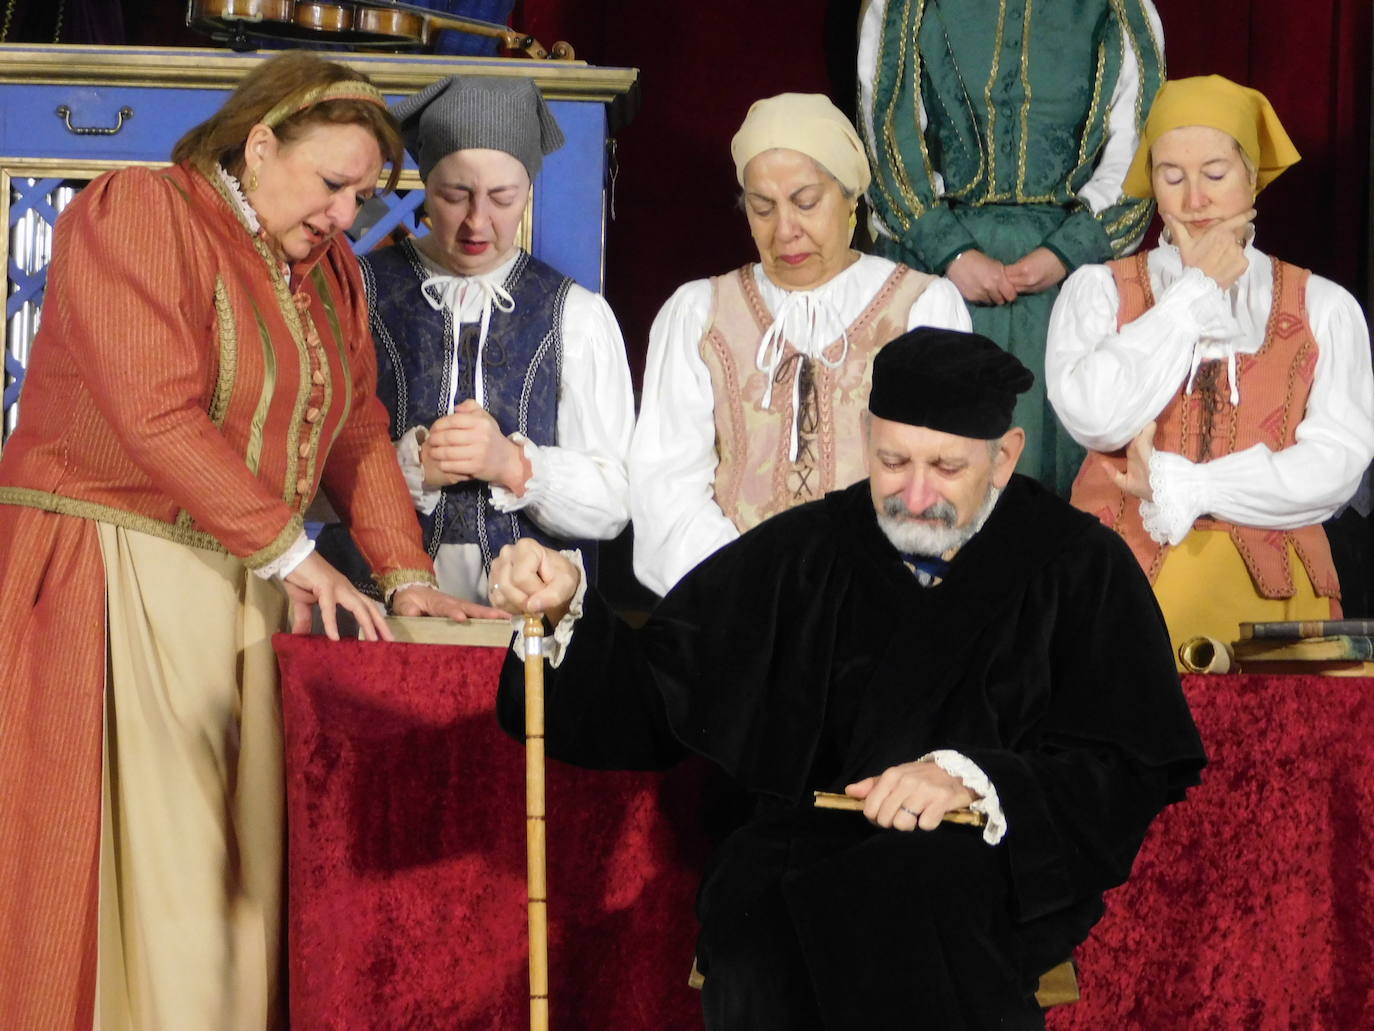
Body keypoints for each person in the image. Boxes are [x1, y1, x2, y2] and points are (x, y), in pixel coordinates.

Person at [490, 327, 1205, 1029]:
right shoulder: (808, 547)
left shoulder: (1078, 563)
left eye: (946, 468)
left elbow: (1125, 762)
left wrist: (974, 778)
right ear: (867, 437)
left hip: (976, 857)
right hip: (802, 846)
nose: (916, 495)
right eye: (893, 461)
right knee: (756, 914)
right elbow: (660, 691)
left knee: (900, 898)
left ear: (1004, 456)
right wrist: (563, 611)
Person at [0, 53, 499, 1030]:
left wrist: (405, 572)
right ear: (261, 142)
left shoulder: (329, 274)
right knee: (165, 872)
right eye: (332, 183)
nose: (346, 213)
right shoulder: (141, 211)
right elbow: (154, 411)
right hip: (118, 566)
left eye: (362, 194)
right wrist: (290, 550)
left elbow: (356, 426)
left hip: (253, 576)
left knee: (244, 881)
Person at [1046, 75, 1374, 662]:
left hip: (1273, 604)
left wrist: (1191, 487)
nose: (1194, 200)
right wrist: (1191, 296)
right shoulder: (1097, 292)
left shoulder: (1324, 306)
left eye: (1216, 175)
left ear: (1252, 177)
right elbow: (1098, 419)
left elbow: (1336, 467)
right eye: (1171, 176)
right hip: (1119, 594)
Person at [629, 91, 970, 597]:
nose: (785, 230)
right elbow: (665, 485)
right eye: (762, 208)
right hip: (735, 606)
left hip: (880, 607)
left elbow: (947, 475)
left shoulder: (924, 308)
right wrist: (749, 588)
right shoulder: (699, 313)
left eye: (806, 202)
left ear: (851, 197)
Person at [316, 75, 633, 601]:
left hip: (519, 623)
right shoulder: (358, 293)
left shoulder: (576, 315)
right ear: (424, 189)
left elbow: (613, 503)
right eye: (454, 195)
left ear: (528, 191)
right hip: (371, 612)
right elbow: (300, 484)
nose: (477, 222)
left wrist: (513, 465)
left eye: (503, 198)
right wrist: (410, 468)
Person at [856, 0, 1165, 494]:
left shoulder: (1117, 9)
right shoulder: (904, 5)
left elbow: (1141, 153)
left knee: (1052, 485)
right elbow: (887, 134)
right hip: (934, 271)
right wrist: (950, 251)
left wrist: (1066, 252)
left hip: (1066, 281)